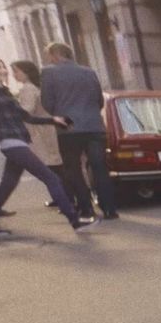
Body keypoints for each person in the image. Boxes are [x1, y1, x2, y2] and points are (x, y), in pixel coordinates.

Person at [0, 57, 96, 236]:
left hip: (19, 140)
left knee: (7, 184)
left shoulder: (4, 91)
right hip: (11, 141)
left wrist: (53, 120)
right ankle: (75, 222)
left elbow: (25, 116)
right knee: (51, 178)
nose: (3, 70)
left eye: (3, 67)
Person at [42, 42, 119, 219]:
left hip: (68, 128)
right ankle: (109, 209)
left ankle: (86, 208)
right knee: (99, 168)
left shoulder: (48, 72)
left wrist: (60, 114)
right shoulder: (89, 72)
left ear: (54, 55)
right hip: (94, 126)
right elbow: (99, 100)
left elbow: (47, 102)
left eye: (50, 56)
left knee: (73, 168)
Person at [12, 60, 64, 185]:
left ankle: (61, 194)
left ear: (26, 72)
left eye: (16, 71)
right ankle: (61, 193)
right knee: (52, 162)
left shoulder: (28, 88)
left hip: (39, 130)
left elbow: (27, 110)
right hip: (46, 128)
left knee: (47, 164)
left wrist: (12, 108)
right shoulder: (37, 86)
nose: (14, 75)